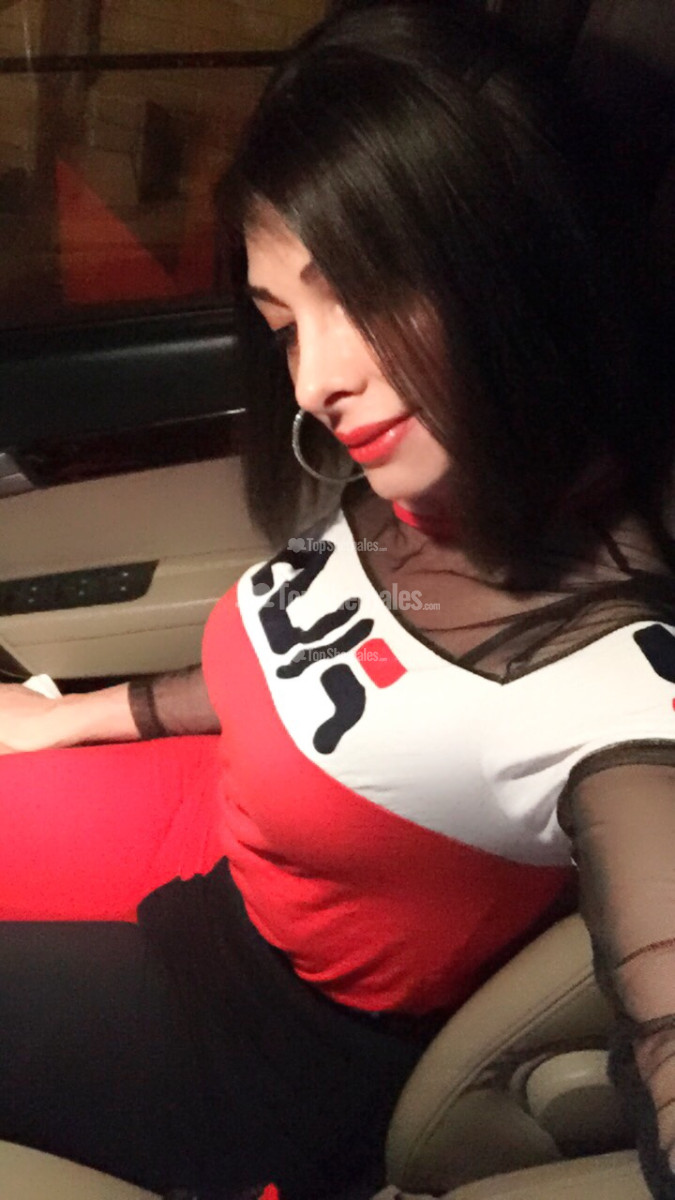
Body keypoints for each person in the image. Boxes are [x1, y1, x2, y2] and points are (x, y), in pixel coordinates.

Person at [0, 2, 675, 1198]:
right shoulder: (429, 490)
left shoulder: (613, 689)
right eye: (282, 326)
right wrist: (73, 717)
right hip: (220, 851)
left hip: (250, 1041)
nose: (314, 381)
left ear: (523, 263)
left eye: (359, 290)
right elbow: (304, 666)